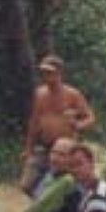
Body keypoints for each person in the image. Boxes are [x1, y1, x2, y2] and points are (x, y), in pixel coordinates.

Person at [19, 54, 95, 195]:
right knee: (27, 184)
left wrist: (77, 125)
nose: (46, 76)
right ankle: (42, 202)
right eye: (43, 72)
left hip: (65, 149)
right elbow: (34, 122)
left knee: (62, 184)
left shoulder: (72, 94)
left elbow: (90, 118)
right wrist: (28, 148)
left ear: (58, 73)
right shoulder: (39, 94)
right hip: (44, 146)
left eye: (49, 72)